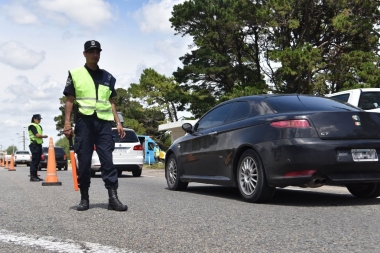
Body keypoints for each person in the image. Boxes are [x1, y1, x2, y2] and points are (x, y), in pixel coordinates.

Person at [63, 40, 127, 212]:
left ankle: (113, 199)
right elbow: (70, 100)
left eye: (97, 51)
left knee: (107, 160)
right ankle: (84, 198)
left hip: (104, 124)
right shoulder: (76, 74)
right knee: (84, 161)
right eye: (91, 51)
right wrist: (67, 123)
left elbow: (111, 101)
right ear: (84, 54)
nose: (94, 54)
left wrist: (118, 122)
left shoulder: (108, 77)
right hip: (84, 122)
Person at [28, 114, 48, 182]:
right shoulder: (32, 126)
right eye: (38, 119)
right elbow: (37, 135)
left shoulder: (38, 126)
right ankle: (32, 176)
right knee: (34, 161)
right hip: (34, 145)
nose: (39, 120)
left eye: (40, 119)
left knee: (38, 161)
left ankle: (36, 176)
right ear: (34, 119)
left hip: (38, 145)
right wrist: (43, 136)